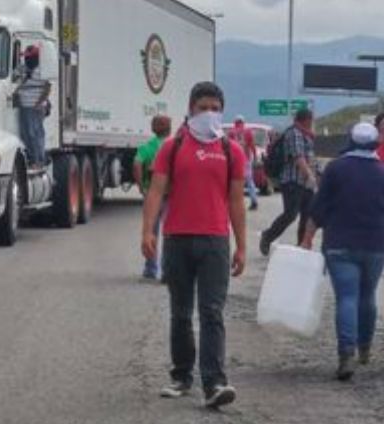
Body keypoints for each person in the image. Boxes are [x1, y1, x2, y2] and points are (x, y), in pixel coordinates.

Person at [141, 81, 246, 409]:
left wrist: (241, 245)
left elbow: (236, 201)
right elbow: (156, 190)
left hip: (215, 241)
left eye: (215, 109)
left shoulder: (232, 151)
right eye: (203, 108)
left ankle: (214, 382)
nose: (209, 114)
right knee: (181, 313)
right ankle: (181, 376)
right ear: (190, 109)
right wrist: (148, 231)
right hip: (177, 240)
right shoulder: (172, 148)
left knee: (212, 312)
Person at [300, 122, 384, 381]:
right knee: (367, 297)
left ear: (350, 142)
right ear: (375, 144)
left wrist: (307, 237)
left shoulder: (336, 169)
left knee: (347, 298)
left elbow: (319, 207)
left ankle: (346, 355)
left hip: (340, 244)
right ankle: (364, 348)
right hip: (375, 246)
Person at [260, 109, 318, 256]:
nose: (312, 124)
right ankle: (268, 236)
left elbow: (310, 157)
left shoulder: (307, 136)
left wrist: (315, 176)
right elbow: (299, 158)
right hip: (293, 181)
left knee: (307, 215)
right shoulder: (294, 133)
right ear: (305, 120)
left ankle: (302, 246)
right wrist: (310, 176)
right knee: (290, 214)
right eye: (311, 121)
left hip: (306, 184)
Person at [134, 115, 172, 280]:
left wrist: (141, 185)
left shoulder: (147, 147)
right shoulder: (173, 146)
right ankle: (167, 271)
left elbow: (137, 164)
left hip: (152, 194)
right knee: (169, 233)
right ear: (169, 128)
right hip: (171, 194)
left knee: (151, 232)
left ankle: (150, 268)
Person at [14, 46, 51, 168]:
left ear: (36, 57)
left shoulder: (43, 69)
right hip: (24, 106)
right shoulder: (21, 69)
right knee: (25, 133)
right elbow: (14, 81)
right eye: (25, 57)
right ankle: (31, 158)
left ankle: (38, 160)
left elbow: (47, 87)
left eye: (29, 57)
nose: (27, 59)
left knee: (35, 133)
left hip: (36, 106)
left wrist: (39, 103)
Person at [228, 115, 259, 211]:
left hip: (235, 159)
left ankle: (235, 201)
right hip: (246, 158)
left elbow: (229, 146)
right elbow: (252, 145)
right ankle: (254, 200)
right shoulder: (248, 132)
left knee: (234, 180)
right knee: (250, 181)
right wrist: (255, 157)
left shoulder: (231, 132)